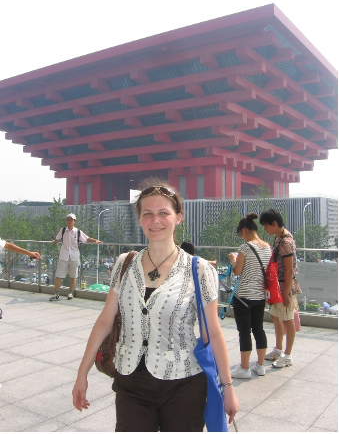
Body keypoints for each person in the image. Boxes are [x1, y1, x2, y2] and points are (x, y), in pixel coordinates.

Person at [72, 181, 238, 432]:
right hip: (131, 380)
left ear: (178, 218)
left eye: (163, 213)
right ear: (139, 219)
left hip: (184, 382)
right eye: (147, 214)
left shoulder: (199, 269)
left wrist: (227, 388)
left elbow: (212, 332)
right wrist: (82, 373)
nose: (155, 221)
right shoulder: (124, 264)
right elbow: (105, 321)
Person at [228, 213, 272, 379]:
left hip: (244, 297)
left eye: (241, 234)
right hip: (260, 296)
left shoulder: (245, 248)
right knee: (259, 329)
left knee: (244, 332)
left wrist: (233, 260)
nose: (242, 237)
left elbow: (238, 271)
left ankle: (244, 368)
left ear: (244, 230)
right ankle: (260, 366)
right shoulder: (267, 247)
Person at [259, 209, 302, 368]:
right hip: (278, 286)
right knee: (276, 317)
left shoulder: (286, 241)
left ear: (274, 223)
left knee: (287, 319)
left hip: (285, 286)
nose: (265, 229)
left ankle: (288, 355)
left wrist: (286, 292)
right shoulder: (278, 238)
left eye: (266, 226)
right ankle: (278, 349)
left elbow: (290, 269)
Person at [50, 213, 102, 301]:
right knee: (59, 276)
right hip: (64, 256)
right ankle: (56, 293)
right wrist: (54, 242)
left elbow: (86, 238)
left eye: (71, 220)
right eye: (68, 220)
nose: (69, 222)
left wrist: (95, 240)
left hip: (74, 256)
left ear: (74, 221)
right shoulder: (62, 230)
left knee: (73, 276)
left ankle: (70, 293)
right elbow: (57, 239)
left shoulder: (77, 232)